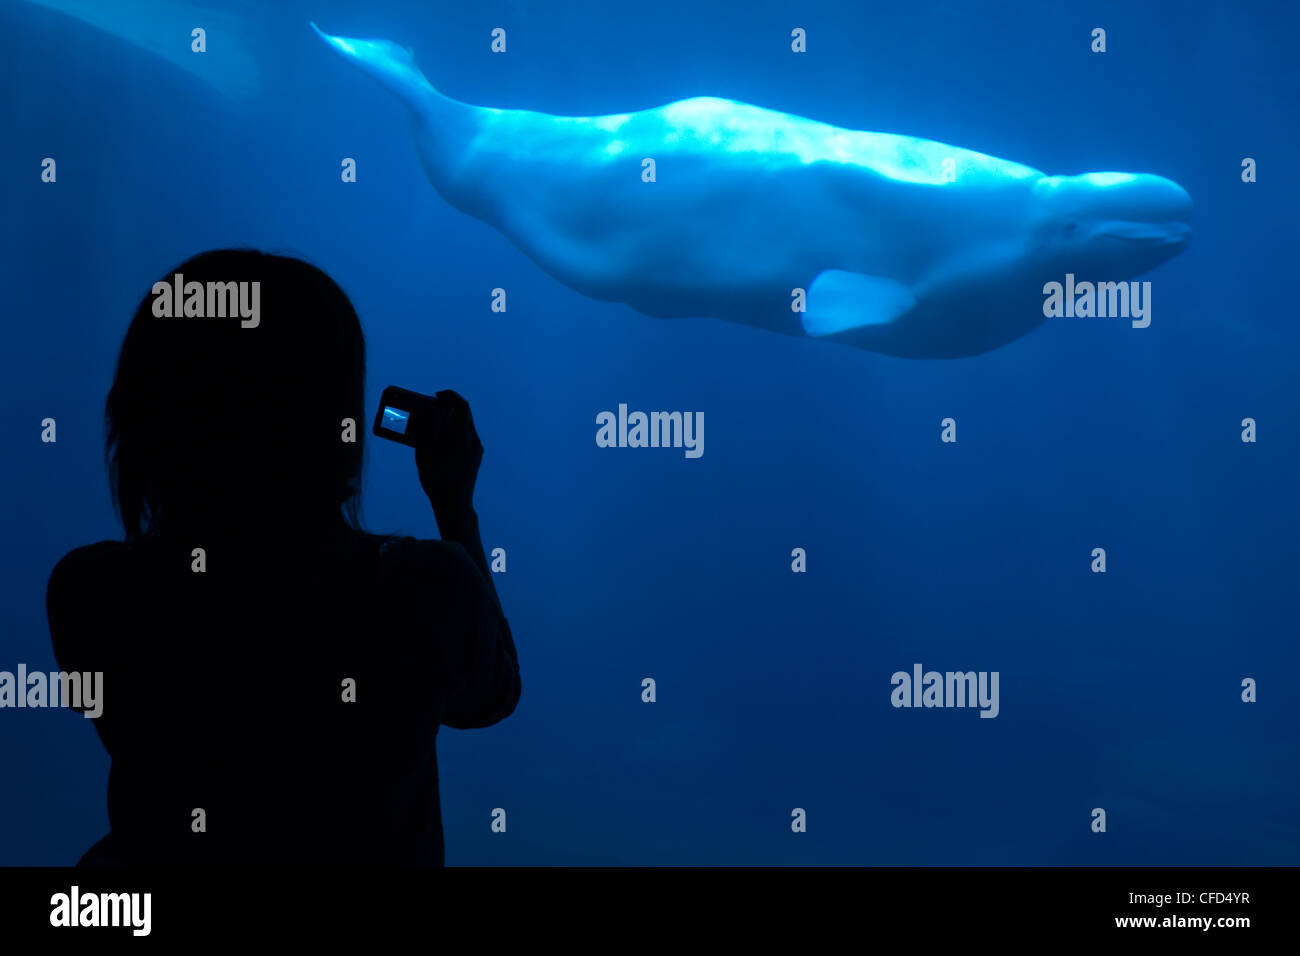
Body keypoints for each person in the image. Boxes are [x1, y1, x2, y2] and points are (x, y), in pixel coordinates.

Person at [46, 249, 519, 865]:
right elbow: (492, 695)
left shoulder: (94, 592)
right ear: (338, 429)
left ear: (140, 418)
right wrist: (456, 508)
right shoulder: (421, 589)